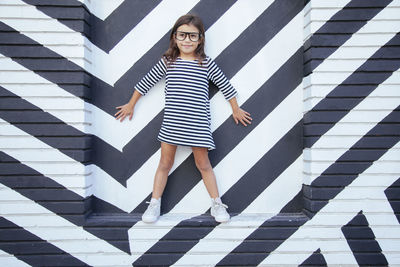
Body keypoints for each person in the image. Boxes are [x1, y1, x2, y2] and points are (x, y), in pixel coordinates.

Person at [114, 14, 252, 223]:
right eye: (182, 35)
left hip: (198, 125)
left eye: (192, 36)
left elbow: (225, 85)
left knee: (204, 164)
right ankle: (154, 203)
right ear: (175, 37)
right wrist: (131, 104)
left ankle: (216, 204)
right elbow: (146, 82)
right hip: (172, 124)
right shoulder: (168, 62)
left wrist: (235, 109)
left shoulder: (205, 63)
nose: (187, 40)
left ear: (200, 39)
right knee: (164, 164)